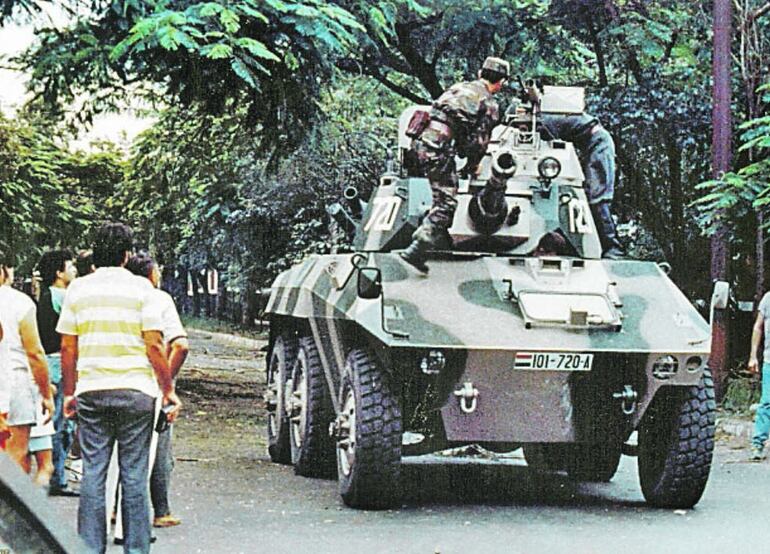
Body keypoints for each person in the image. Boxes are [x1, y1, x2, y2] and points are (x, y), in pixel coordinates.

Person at [58, 222, 182, 554]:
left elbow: (68, 348)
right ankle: (137, 550)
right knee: (134, 476)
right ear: (127, 254)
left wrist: (70, 393)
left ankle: (89, 549)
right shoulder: (144, 290)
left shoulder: (78, 290)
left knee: (94, 474)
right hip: (137, 394)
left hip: (92, 392)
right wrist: (167, 390)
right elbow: (155, 345)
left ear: (95, 253)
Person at [400, 56, 510, 273]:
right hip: (437, 147)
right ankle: (417, 247)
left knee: (441, 192)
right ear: (502, 82)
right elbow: (479, 143)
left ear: (480, 73)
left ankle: (422, 242)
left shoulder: (459, 87)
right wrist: (472, 165)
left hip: (420, 141)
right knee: (447, 203)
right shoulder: (489, 103)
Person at [126, 251, 189, 528]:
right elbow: (180, 345)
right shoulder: (159, 299)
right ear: (151, 275)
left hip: (117, 380)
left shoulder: (118, 298)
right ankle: (161, 510)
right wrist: (168, 381)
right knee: (159, 450)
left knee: (123, 452)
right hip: (152, 381)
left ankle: (117, 512)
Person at [0, 248, 55, 474]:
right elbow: (34, 353)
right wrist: (46, 394)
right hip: (14, 386)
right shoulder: (18, 302)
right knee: (14, 459)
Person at [541, 113, 624, 258]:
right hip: (590, 143)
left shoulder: (544, 122)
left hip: (598, 142)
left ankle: (612, 248)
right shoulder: (548, 116)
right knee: (586, 194)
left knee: (596, 197)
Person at [36, 249, 80, 496]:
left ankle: (54, 474)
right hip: (60, 363)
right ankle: (57, 478)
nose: (74, 270)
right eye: (70, 266)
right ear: (58, 273)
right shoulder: (62, 296)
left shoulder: (45, 297)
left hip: (48, 362)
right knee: (61, 423)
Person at [749, 292, 770, 460]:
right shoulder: (768, 298)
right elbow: (758, 326)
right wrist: (753, 356)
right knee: (767, 402)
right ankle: (758, 444)